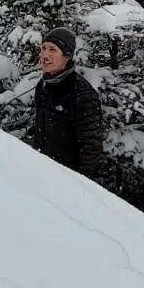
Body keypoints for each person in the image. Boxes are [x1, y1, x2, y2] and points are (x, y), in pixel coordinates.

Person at [29, 26, 105, 179]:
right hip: (41, 172)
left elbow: (91, 148)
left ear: (67, 56)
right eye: (43, 48)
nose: (45, 55)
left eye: (52, 50)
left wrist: (80, 184)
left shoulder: (82, 94)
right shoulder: (43, 86)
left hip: (66, 179)